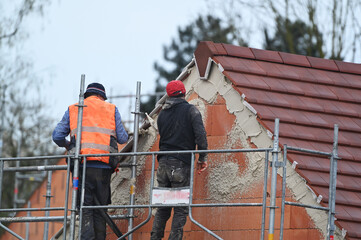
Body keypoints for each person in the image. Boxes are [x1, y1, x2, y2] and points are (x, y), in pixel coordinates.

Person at [52, 82, 128, 240]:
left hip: (82, 167)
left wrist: (69, 145)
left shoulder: (74, 108)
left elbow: (57, 136)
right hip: (104, 168)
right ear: (102, 96)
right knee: (100, 209)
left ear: (86, 95)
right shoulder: (111, 109)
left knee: (85, 208)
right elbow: (123, 138)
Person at [151, 80, 208, 240]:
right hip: (181, 164)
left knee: (163, 207)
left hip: (163, 165)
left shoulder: (162, 114)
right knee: (181, 208)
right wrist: (202, 158)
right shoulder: (191, 111)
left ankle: (155, 238)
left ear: (168, 95)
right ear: (184, 93)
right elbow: (201, 136)